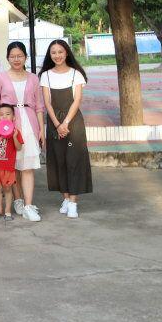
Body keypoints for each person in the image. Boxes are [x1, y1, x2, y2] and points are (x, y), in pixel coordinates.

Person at [0, 42, 44, 222]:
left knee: (27, 167)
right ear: (7, 58)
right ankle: (18, 200)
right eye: (12, 56)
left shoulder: (33, 78)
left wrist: (41, 129)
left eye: (20, 56)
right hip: (7, 128)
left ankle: (28, 205)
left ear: (25, 57)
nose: (16, 59)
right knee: (12, 166)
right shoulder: (1, 78)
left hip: (29, 124)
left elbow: (39, 106)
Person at [39, 39, 92, 219]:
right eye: (53, 52)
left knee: (74, 160)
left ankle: (73, 203)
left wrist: (66, 123)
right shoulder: (45, 75)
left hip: (73, 122)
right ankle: (66, 198)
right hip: (54, 123)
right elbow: (47, 103)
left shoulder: (76, 74)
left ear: (66, 52)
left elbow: (77, 100)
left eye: (60, 52)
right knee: (59, 161)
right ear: (50, 55)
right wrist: (57, 124)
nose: (57, 55)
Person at [0, 104, 24, 220]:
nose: (5, 117)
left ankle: (7, 210)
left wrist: (14, 137)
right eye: (1, 115)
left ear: (13, 117)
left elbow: (19, 148)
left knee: (7, 188)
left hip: (8, 167)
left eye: (8, 114)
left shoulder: (15, 132)